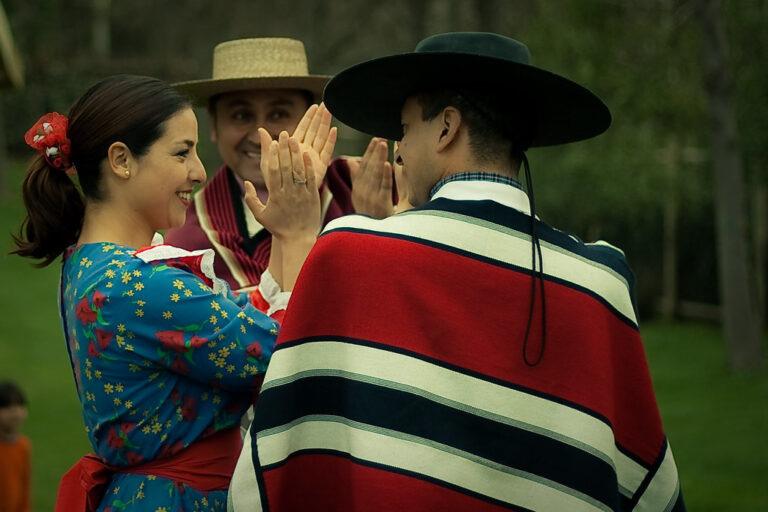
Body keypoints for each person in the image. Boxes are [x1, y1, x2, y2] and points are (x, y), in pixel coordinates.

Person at [228, 33, 686, 511]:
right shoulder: (600, 283)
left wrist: (300, 233)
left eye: (405, 129)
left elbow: (286, 450)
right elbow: (644, 483)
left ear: (447, 127)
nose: (399, 151)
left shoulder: (350, 253)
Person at [12, 74, 323, 511]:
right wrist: (300, 233)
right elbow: (289, 355)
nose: (199, 170)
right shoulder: (138, 284)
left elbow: (230, 325)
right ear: (121, 160)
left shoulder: (91, 265)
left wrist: (288, 237)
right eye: (182, 152)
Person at [166, 37, 382, 291]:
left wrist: (384, 228)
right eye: (241, 116)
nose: (260, 137)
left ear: (307, 117)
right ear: (213, 125)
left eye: (278, 114)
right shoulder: (185, 237)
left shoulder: (360, 188)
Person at [0, 381, 31, 512]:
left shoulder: (23, 446)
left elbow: (25, 488)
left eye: (19, 405)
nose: (15, 412)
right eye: (7, 407)